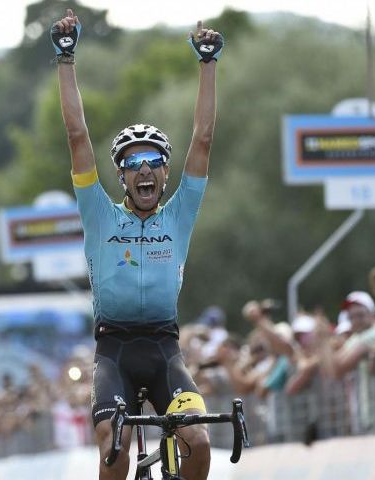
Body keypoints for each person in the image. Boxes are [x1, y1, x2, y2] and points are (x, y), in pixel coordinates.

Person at [51, 9, 223, 479]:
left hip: (166, 350)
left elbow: (204, 139)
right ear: (122, 176)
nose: (144, 169)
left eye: (153, 160)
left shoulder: (180, 213)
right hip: (114, 354)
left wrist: (207, 64)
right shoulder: (100, 214)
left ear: (166, 173)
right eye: (133, 162)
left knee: (201, 442)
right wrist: (66, 59)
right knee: (115, 446)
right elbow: (76, 135)